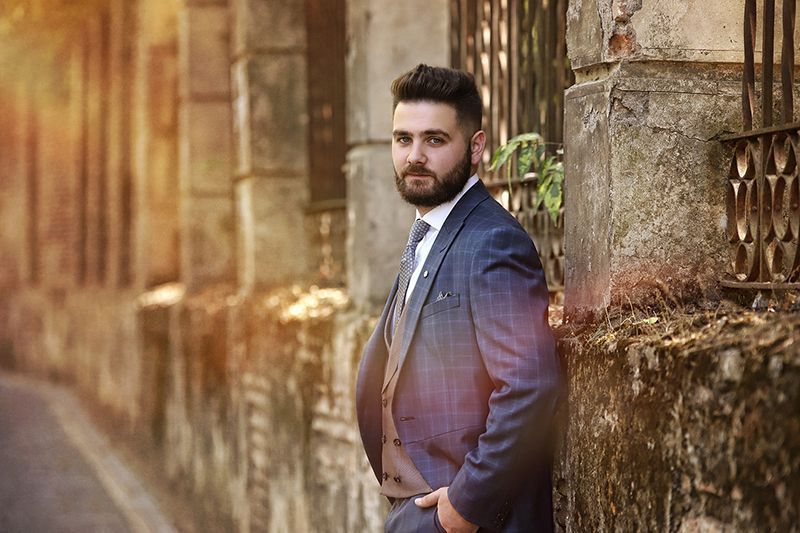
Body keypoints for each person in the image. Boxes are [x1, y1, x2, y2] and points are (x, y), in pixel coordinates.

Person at [356, 64, 562, 532]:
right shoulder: (427, 234)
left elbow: (529, 386)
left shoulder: (492, 241)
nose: (414, 156)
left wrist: (466, 506)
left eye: (434, 140)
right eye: (403, 139)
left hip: (467, 518)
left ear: (475, 147)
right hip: (414, 510)